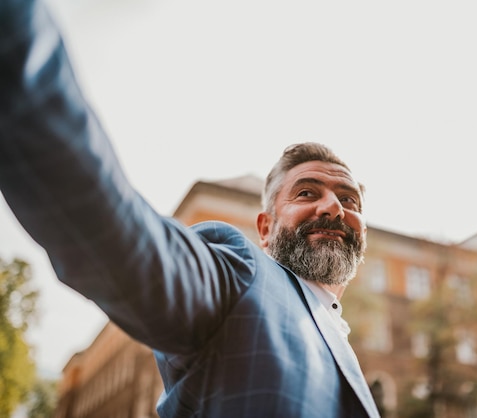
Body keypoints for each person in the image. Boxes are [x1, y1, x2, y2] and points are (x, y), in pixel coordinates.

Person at [0, 1, 380, 417]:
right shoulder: (239, 277)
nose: (333, 208)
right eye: (307, 193)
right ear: (266, 228)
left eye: (348, 199)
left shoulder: (342, 345)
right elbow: (112, 226)